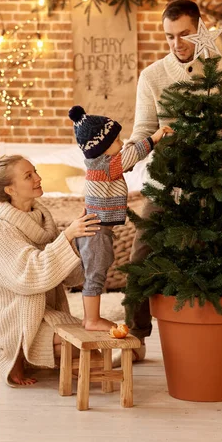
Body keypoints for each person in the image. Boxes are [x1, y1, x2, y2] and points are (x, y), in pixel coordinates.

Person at [124, 0, 222, 360]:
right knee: (141, 252)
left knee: (217, 257)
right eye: (168, 37)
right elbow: (142, 131)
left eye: (184, 34)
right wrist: (123, 160)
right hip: (167, 184)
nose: (176, 44)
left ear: (201, 30)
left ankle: (212, 343)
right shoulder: (153, 76)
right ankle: (135, 336)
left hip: (216, 184)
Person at [0, 154, 102, 387]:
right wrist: (67, 237)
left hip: (47, 310)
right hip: (21, 316)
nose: (38, 178)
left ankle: (57, 357)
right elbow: (30, 274)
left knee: (94, 351)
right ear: (10, 190)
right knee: (82, 348)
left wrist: (81, 243)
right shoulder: (0, 229)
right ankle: (17, 354)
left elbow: (67, 276)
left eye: (35, 171)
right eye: (28, 176)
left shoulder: (43, 218)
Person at [68, 105, 173, 331]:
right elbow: (134, 154)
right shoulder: (108, 165)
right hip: (97, 231)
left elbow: (125, 159)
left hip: (97, 228)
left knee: (97, 271)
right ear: (103, 147)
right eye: (116, 141)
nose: (121, 143)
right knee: (95, 274)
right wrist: (157, 135)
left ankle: (90, 318)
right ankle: (92, 320)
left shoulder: (98, 163)